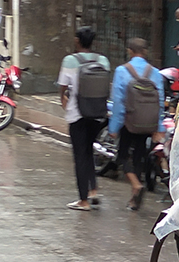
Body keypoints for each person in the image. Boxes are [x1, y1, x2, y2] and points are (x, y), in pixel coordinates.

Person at [108, 38, 165, 211]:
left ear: (130, 51)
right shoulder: (155, 72)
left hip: (128, 121)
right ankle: (134, 197)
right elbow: (160, 101)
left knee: (122, 156)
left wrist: (114, 127)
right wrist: (159, 127)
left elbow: (118, 101)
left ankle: (135, 185)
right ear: (145, 52)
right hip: (147, 122)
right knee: (140, 155)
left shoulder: (121, 71)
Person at [58, 26, 110, 211]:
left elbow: (63, 86)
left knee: (80, 156)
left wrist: (63, 100)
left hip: (77, 114)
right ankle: (93, 190)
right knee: (88, 151)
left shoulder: (70, 60)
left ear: (77, 41)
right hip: (98, 114)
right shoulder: (102, 60)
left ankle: (83, 200)